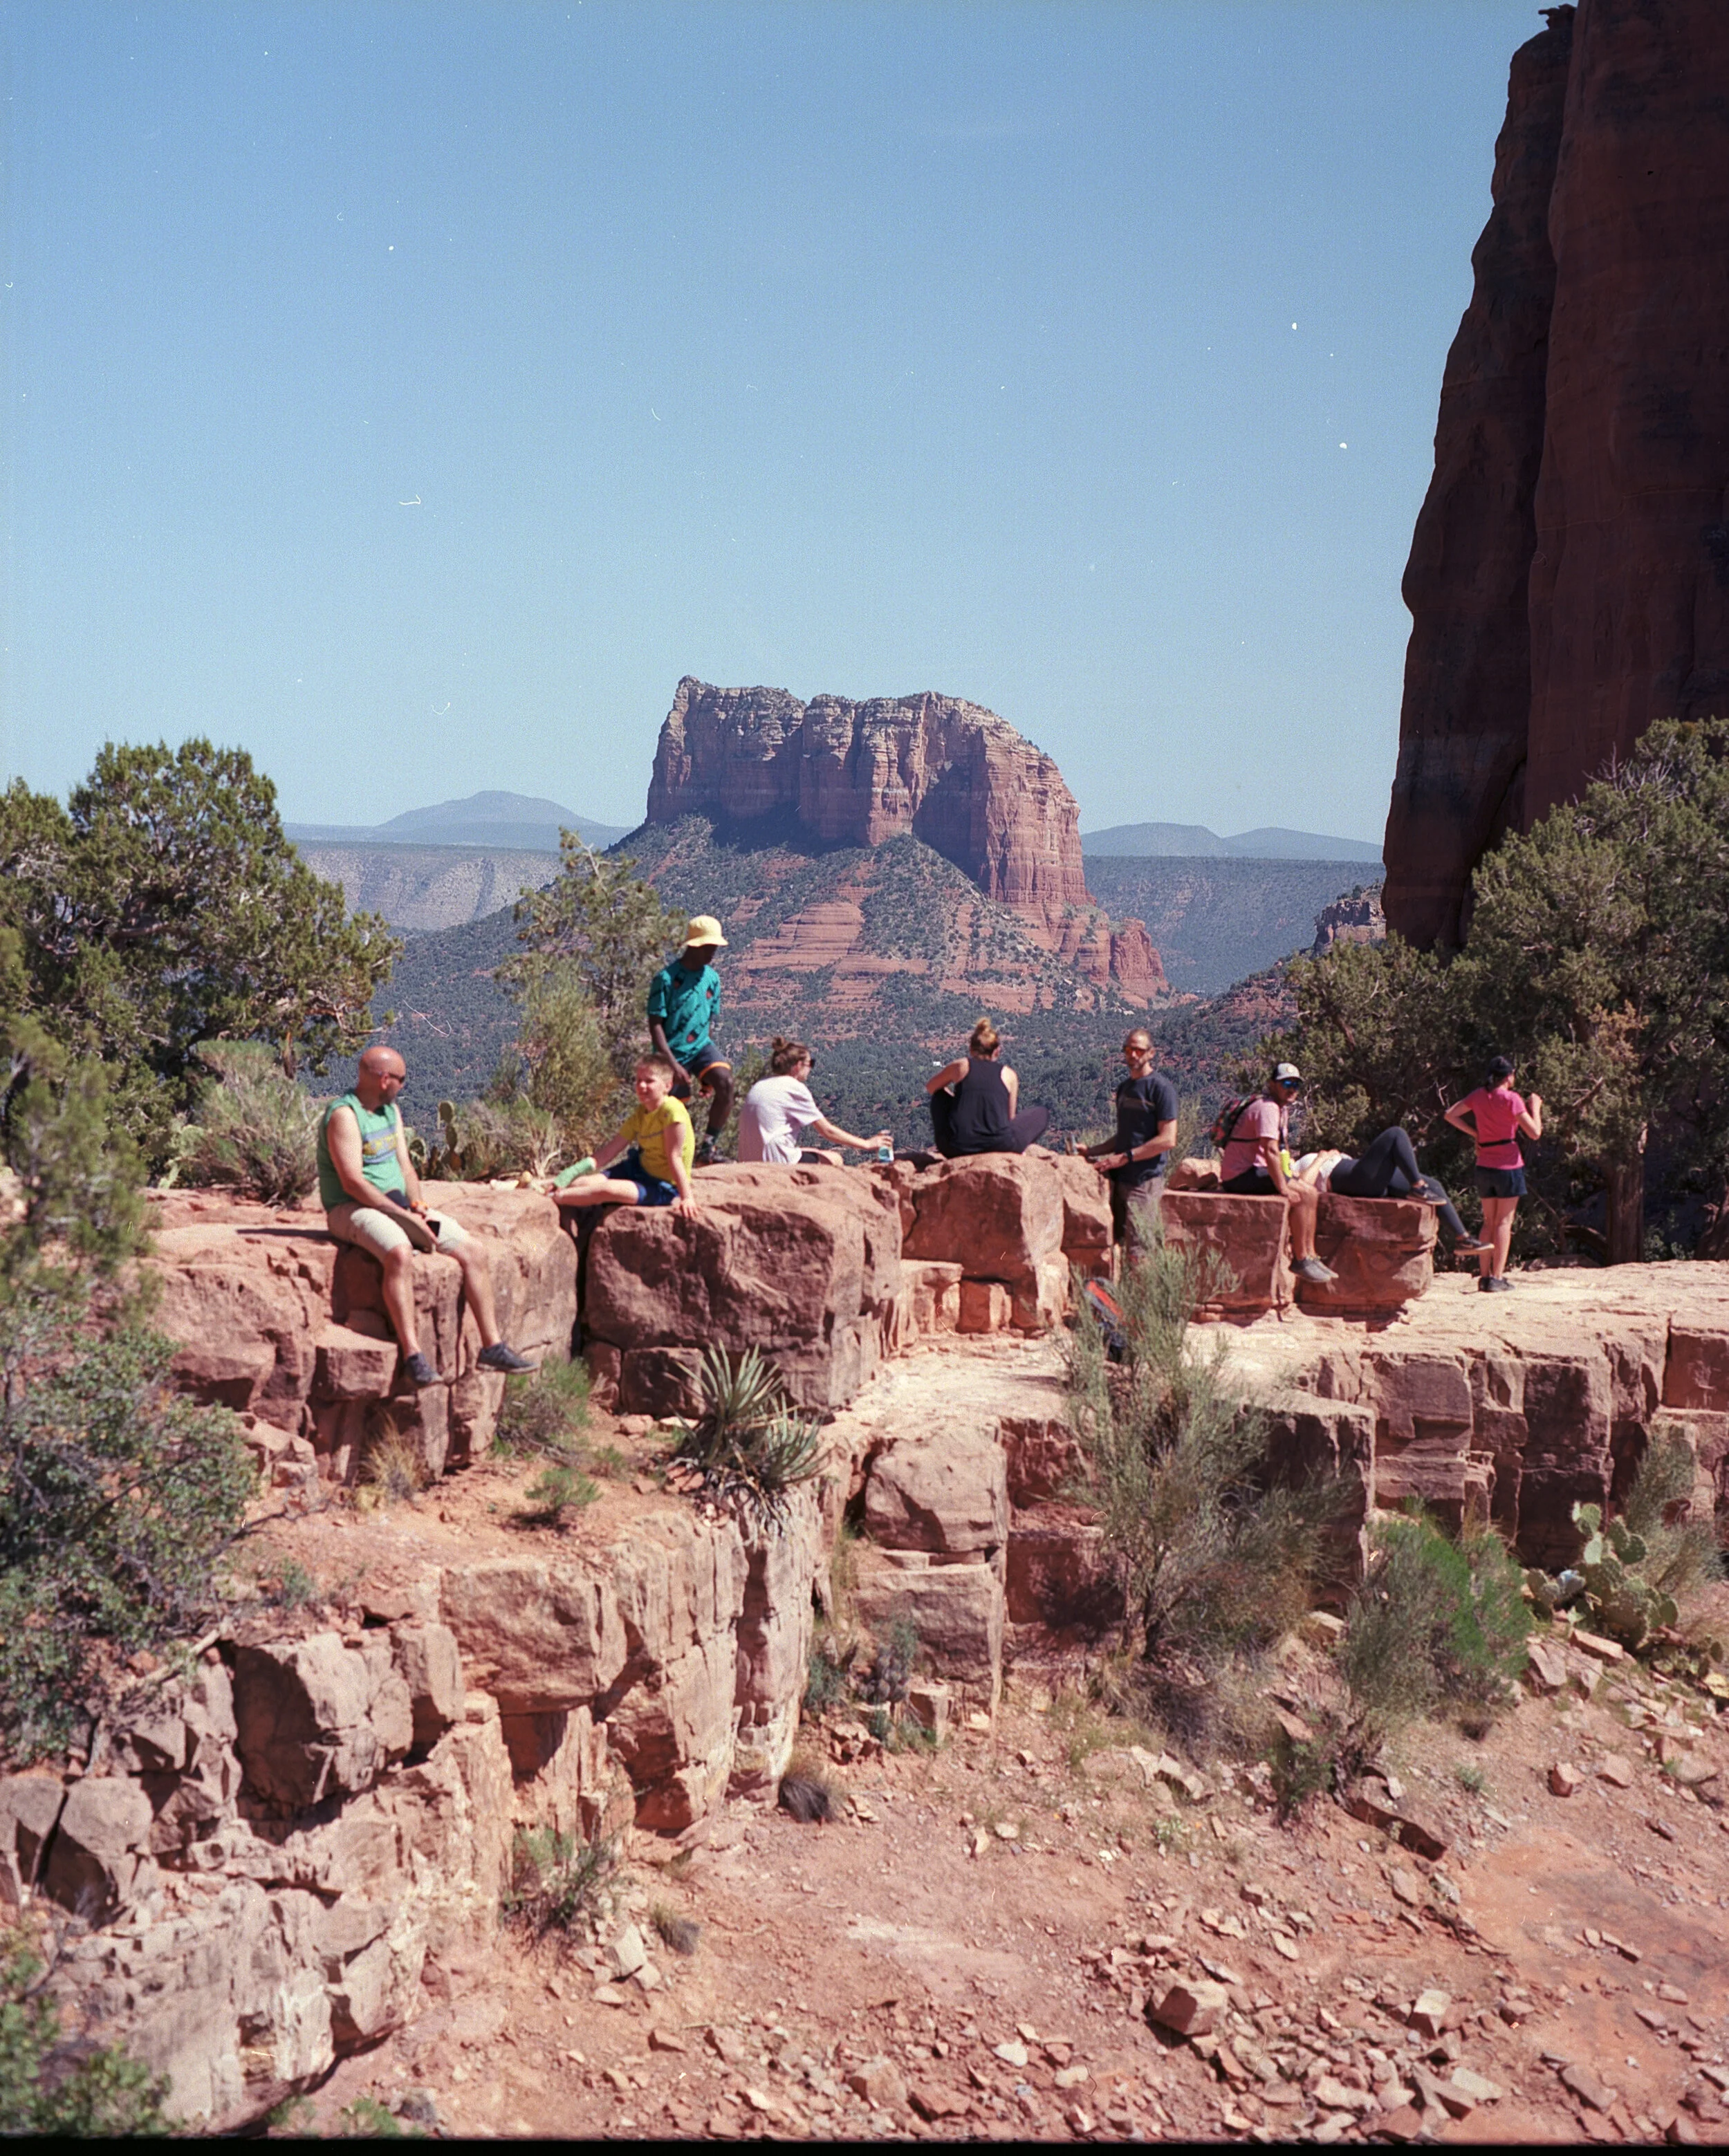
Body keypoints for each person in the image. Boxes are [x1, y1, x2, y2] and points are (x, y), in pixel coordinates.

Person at [317, 1046, 536, 1388]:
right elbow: (352, 1182)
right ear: (384, 1079)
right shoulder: (345, 1116)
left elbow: (406, 1165)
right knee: (399, 1252)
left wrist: (417, 1207)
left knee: (473, 1251)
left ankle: (492, 1346)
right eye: (400, 1080)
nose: (403, 1086)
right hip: (352, 1209)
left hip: (401, 1207)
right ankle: (413, 1356)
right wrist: (399, 1216)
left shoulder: (391, 1112)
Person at [1217, 1061, 1338, 1285]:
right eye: (1286, 1083)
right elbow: (1271, 1150)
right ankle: (1301, 1259)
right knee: (1301, 1196)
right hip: (1239, 1176)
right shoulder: (1268, 1108)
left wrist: (1287, 1175)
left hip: (1253, 1171)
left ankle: (1310, 1255)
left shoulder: (1280, 1109)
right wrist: (1283, 1187)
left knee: (1310, 1193)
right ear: (1272, 1085)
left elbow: (1280, 1150)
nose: (1292, 1089)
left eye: (1296, 1084)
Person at [551, 1052, 700, 1218]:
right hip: (638, 1169)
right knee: (581, 1183)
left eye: (649, 1081)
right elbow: (608, 1153)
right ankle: (557, 1192)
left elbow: (676, 1157)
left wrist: (687, 1198)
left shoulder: (672, 1112)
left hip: (662, 1185)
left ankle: (553, 1199)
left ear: (667, 1086)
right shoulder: (640, 1113)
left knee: (607, 1190)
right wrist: (569, 1174)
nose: (642, 1086)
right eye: (638, 1080)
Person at [1444, 1055, 1544, 1293]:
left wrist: (1475, 1134)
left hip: (1484, 1165)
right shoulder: (1512, 1099)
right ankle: (1497, 1278)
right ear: (1509, 1076)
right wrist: (1536, 1108)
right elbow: (1535, 1133)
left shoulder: (1479, 1095)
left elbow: (1450, 1114)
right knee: (1504, 1222)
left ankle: (1485, 1276)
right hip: (1508, 1166)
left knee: (1489, 1221)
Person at [1323, 1126, 1489, 1258]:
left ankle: (1463, 1240)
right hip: (1351, 1181)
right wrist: (1321, 1158)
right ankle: (1418, 1187)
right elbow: (1305, 1181)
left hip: (1365, 1175)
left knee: (1434, 1185)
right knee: (1396, 1134)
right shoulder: (1303, 1163)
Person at [647, 916, 734, 1166]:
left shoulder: (712, 979)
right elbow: (655, 1026)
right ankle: (678, 1158)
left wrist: (706, 1074)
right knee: (678, 1112)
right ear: (694, 945)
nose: (713, 952)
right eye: (709, 946)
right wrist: (673, 1065)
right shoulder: (665, 979)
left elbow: (705, 1021)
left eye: (715, 947)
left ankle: (708, 1147)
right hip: (670, 1053)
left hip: (700, 1046)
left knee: (725, 1082)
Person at [1083, 1028, 1178, 1251]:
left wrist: (1125, 1158)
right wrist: (1090, 1151)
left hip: (1144, 1182)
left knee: (1140, 1250)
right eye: (1128, 1049)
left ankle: (1144, 1287)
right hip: (1120, 1180)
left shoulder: (1161, 1089)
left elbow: (1168, 1139)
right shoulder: (1124, 1089)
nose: (1132, 1054)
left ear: (1151, 1053)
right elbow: (1125, 1136)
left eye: (1138, 1050)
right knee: (1116, 1245)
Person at [737, 1037, 892, 1164]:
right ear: (798, 1066)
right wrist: (867, 1144)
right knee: (835, 1159)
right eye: (810, 1064)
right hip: (777, 1161)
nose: (810, 1068)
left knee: (815, 1152)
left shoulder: (760, 1085)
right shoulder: (794, 1087)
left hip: (749, 1161)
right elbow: (827, 1131)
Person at [925, 1018, 1051, 1158]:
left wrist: (957, 1101)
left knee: (939, 1095)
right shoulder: (1009, 1075)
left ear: (971, 1049)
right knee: (1042, 1113)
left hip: (957, 1148)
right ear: (997, 1051)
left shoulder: (961, 1066)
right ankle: (1017, 1152)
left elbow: (931, 1087)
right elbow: (1010, 1119)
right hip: (1001, 1146)